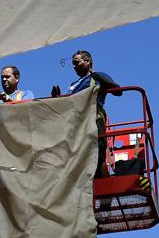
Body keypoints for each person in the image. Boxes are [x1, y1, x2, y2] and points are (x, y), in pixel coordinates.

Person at [51, 50, 120, 178]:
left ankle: (106, 192)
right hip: (76, 123)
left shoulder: (99, 76)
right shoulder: (73, 85)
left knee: (97, 155)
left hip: (93, 118)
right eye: (72, 64)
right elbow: (68, 105)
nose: (74, 66)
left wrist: (100, 79)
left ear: (87, 61)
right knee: (79, 158)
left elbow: (118, 91)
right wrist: (57, 97)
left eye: (76, 63)